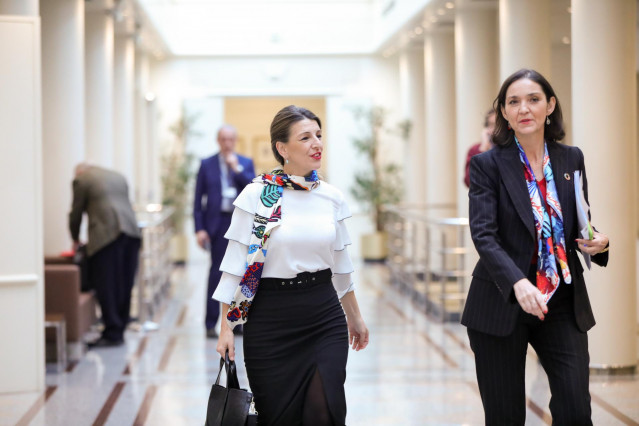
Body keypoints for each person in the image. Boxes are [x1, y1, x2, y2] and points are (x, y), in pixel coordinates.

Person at [462, 69, 610, 425]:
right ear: (504, 112)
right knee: (505, 416)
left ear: (550, 106)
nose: (524, 108)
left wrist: (599, 242)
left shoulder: (570, 158)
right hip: (503, 297)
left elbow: (576, 219)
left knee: (575, 407)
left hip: (560, 297)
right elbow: (484, 233)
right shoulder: (487, 165)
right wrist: (517, 281)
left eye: (533, 99)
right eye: (513, 102)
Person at [214, 105, 369, 425]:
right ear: (282, 148)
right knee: (277, 417)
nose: (317, 143)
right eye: (306, 137)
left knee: (323, 409)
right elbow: (234, 268)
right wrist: (225, 327)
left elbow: (341, 266)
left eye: (319, 135)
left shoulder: (331, 197)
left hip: (322, 316)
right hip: (269, 321)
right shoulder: (257, 195)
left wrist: (354, 316)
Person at [68, 163, 142, 347]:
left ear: (80, 172)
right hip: (132, 232)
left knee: (106, 284)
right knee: (125, 282)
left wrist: (75, 238)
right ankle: (120, 326)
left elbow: (76, 213)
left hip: (107, 236)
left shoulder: (81, 179)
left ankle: (112, 331)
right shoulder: (118, 175)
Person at [193, 125, 255, 338]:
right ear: (218, 140)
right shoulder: (206, 164)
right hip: (217, 223)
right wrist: (199, 229)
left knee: (241, 272)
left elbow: (252, 189)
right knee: (216, 273)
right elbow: (197, 199)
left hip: (240, 222)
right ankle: (210, 323)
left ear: (235, 140)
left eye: (230, 139)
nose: (227, 143)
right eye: (223, 139)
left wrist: (236, 168)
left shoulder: (245, 163)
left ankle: (237, 322)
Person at [463, 110, 496, 187]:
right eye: (491, 125)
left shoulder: (511, 149)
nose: (495, 129)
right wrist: (483, 149)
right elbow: (469, 181)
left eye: (498, 124)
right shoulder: (475, 150)